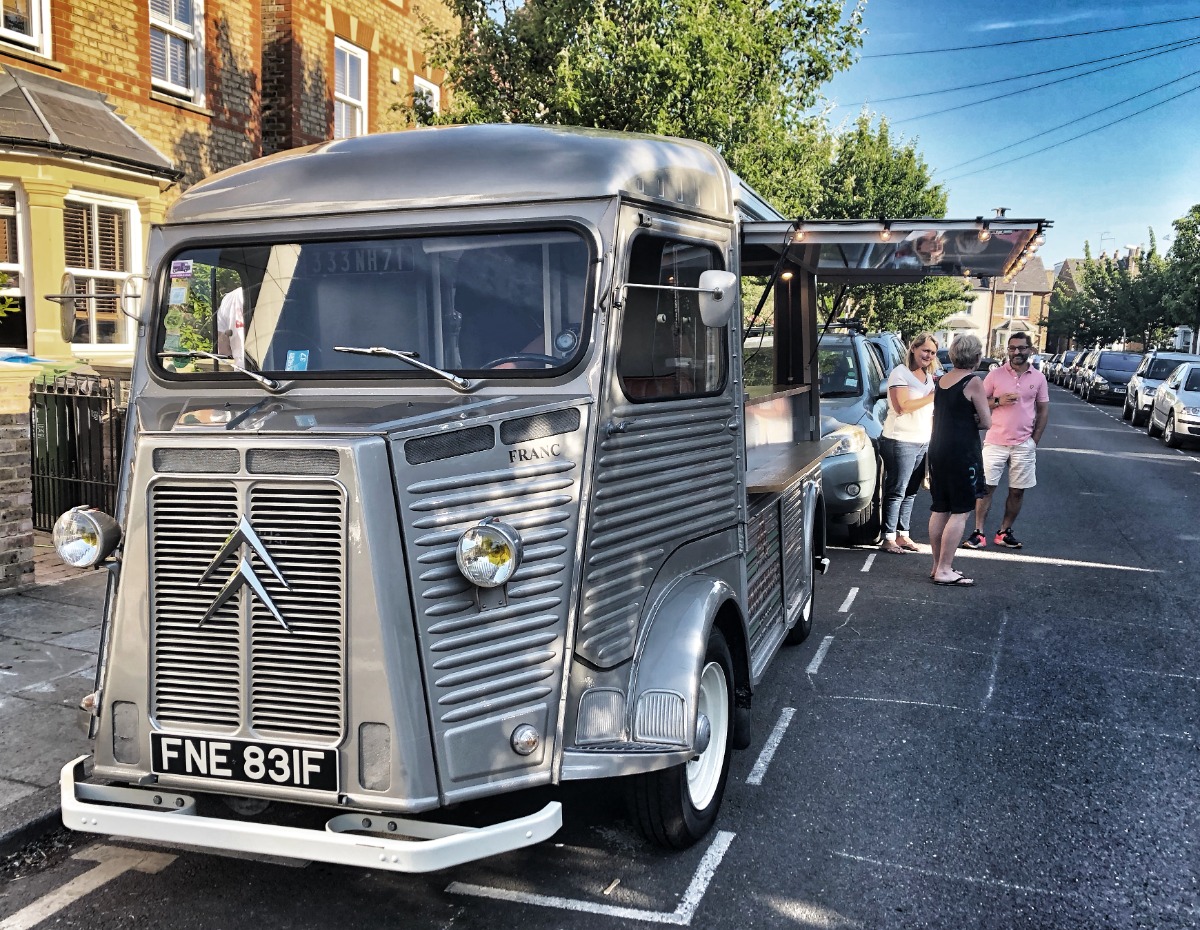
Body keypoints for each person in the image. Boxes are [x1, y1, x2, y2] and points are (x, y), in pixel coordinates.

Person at [962, 332, 1050, 550]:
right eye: (1012, 348)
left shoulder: (1038, 378)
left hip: (1023, 444)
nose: (1016, 352)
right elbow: (978, 404)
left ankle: (1004, 531)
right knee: (986, 489)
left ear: (1030, 350)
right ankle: (978, 532)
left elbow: (1043, 410)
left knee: (1017, 490)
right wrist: (999, 401)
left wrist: (1034, 440)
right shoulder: (995, 375)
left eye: (1021, 348)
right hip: (995, 441)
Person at [927, 334, 991, 586]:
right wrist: (972, 419)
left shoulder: (942, 380)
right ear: (976, 357)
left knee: (940, 507)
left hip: (938, 448)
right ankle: (945, 568)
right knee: (961, 510)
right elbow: (986, 421)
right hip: (962, 451)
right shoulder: (973, 381)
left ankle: (936, 565)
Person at [878, 333, 938, 554]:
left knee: (911, 491)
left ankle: (903, 534)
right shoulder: (899, 373)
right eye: (925, 351)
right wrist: (933, 396)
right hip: (900, 439)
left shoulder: (928, 377)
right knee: (897, 489)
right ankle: (888, 538)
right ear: (913, 348)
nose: (929, 356)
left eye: (932, 353)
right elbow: (902, 406)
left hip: (922, 440)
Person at [216, 286, 245, 368]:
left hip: (241, 372)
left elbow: (223, 348)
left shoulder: (229, 299)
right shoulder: (273, 293)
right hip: (276, 373)